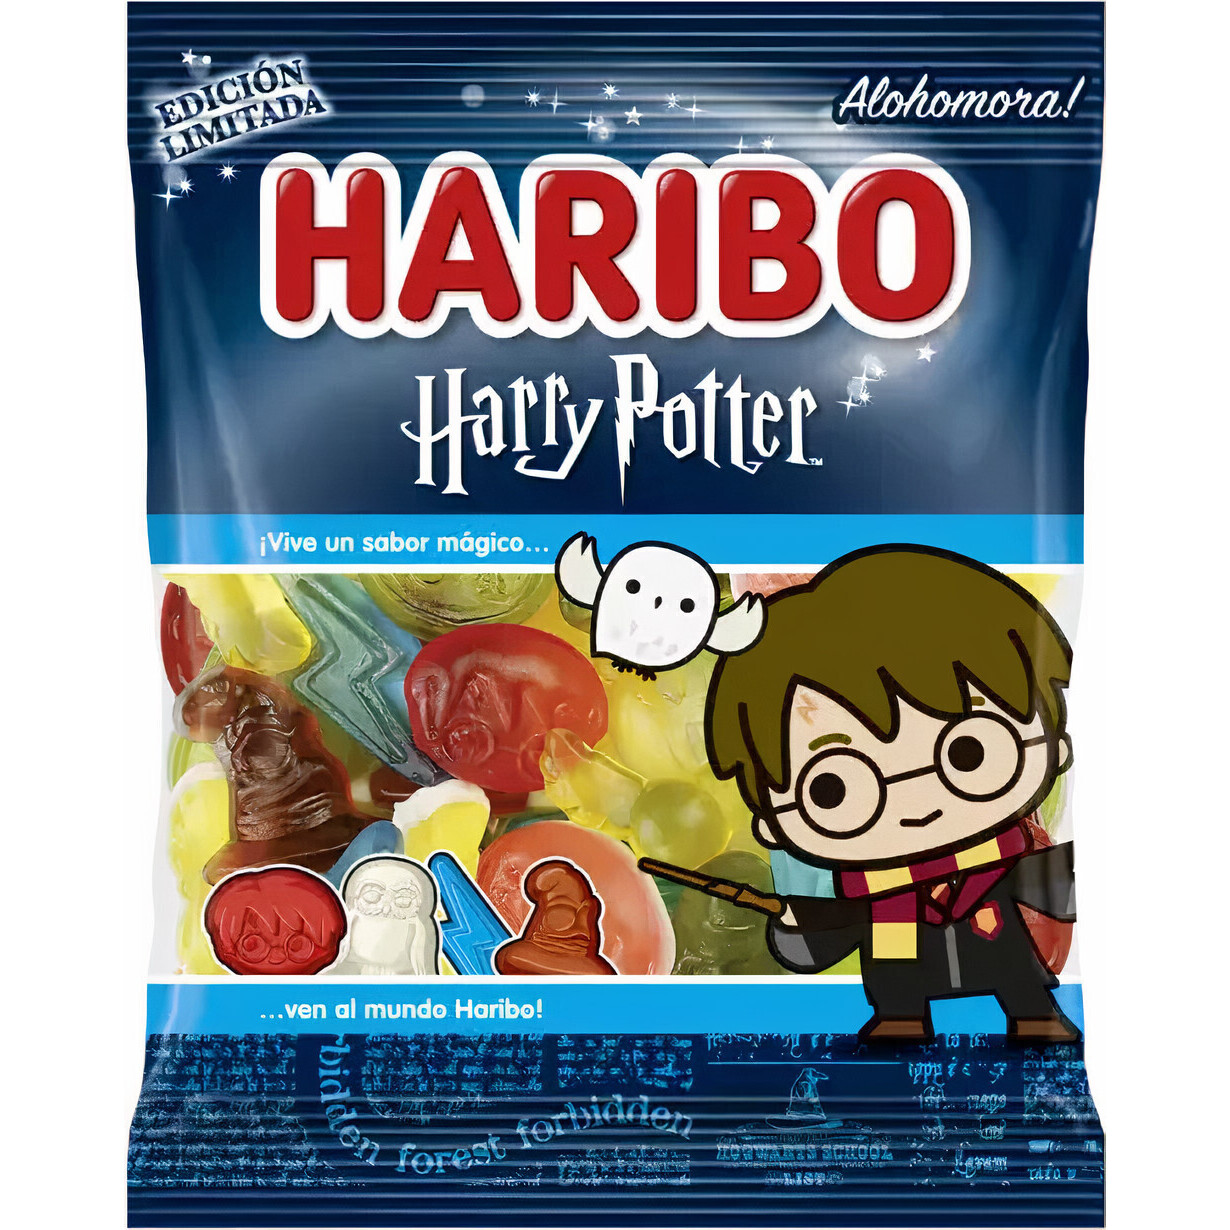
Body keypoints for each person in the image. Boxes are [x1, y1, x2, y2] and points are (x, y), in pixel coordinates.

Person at [706, 545, 1079, 1042]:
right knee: (898, 974)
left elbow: (1045, 880)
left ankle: (1031, 1012)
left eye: (967, 752)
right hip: (899, 953)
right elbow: (839, 919)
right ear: (773, 825)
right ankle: (901, 1016)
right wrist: (803, 924)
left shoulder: (998, 857)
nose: (915, 799)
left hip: (991, 930)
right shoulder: (869, 883)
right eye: (832, 787)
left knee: (1012, 968)